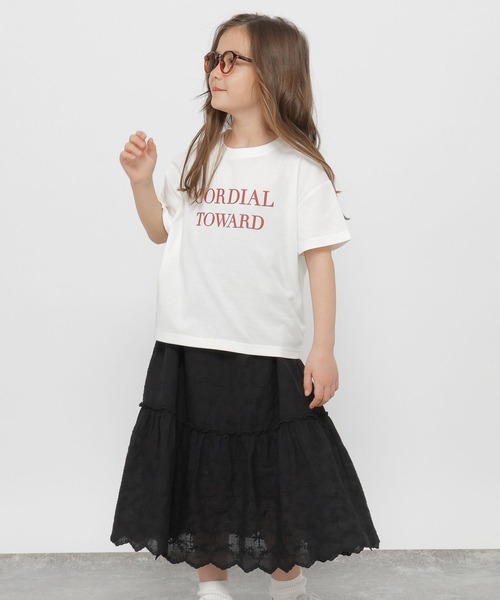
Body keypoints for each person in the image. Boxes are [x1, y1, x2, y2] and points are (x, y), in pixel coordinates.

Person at [110, 12, 380, 600]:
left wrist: (323, 349)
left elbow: (320, 261)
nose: (217, 70)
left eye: (232, 60)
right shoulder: (200, 154)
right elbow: (162, 232)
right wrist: (141, 181)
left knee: (272, 472)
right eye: (214, 58)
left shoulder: (299, 170)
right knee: (202, 466)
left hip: (263, 345)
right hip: (189, 340)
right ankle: (211, 585)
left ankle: (287, 583)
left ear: (273, 73)